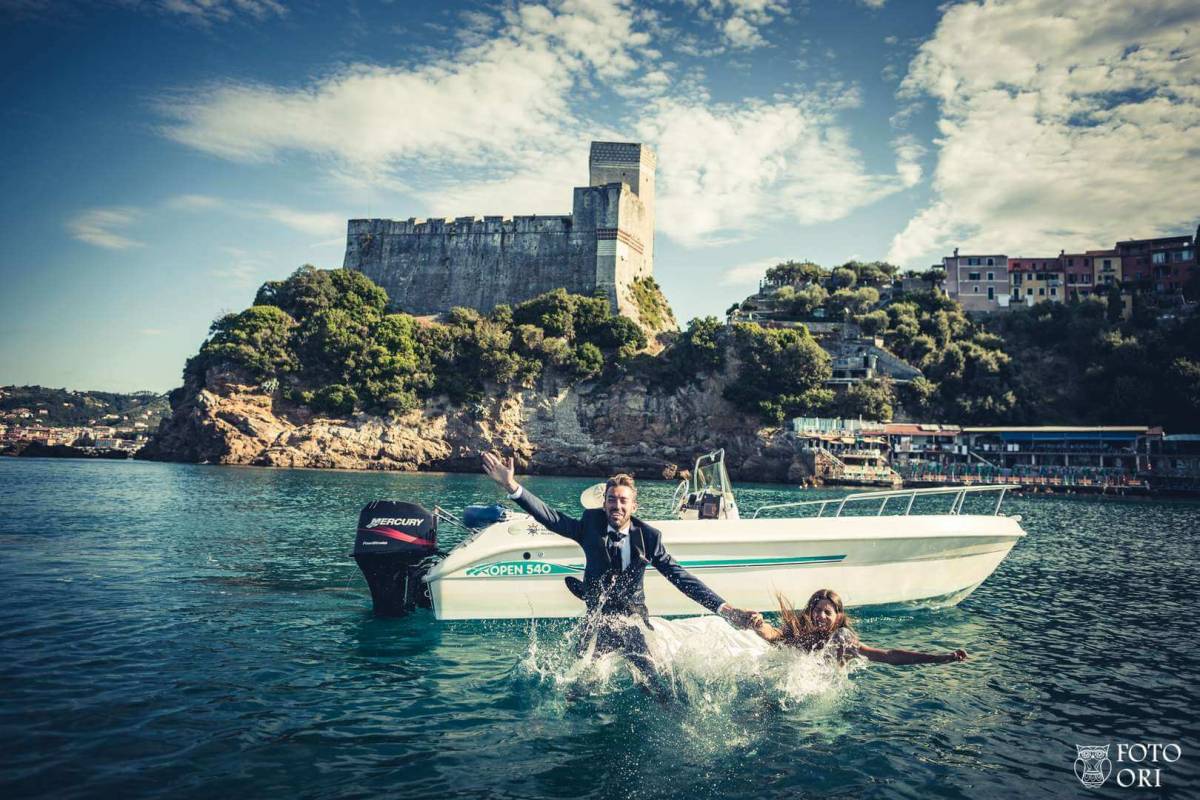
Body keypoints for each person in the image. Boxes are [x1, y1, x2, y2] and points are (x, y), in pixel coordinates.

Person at [480, 451, 756, 688]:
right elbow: (552, 518)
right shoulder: (590, 525)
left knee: (653, 682)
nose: (617, 505)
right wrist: (512, 486)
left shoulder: (649, 537)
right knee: (579, 683)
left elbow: (680, 577)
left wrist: (726, 609)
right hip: (598, 617)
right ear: (604, 503)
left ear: (634, 506)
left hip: (632, 619)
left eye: (624, 501)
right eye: (612, 499)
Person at [745, 589, 968, 666]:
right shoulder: (802, 631)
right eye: (816, 610)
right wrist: (759, 626)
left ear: (838, 615)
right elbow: (774, 635)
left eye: (827, 612)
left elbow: (889, 656)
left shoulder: (844, 642)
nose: (819, 616)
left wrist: (941, 657)